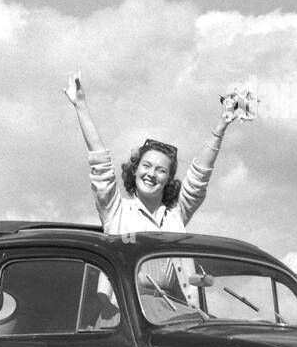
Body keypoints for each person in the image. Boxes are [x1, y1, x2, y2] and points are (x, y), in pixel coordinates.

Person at [63, 73, 242, 236]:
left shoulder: (176, 214)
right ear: (135, 170)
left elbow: (199, 177)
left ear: (168, 180)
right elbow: (101, 164)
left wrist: (221, 126)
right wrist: (81, 106)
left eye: (161, 170)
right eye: (146, 166)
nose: (151, 174)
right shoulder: (117, 211)